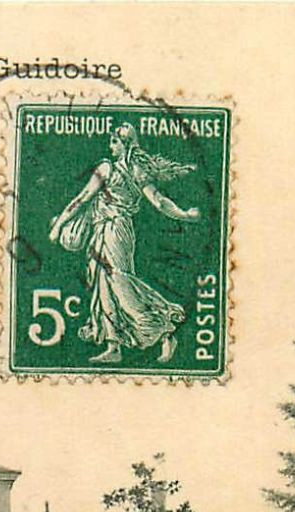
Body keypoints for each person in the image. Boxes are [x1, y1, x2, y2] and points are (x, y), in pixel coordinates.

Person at [48, 124, 201, 364]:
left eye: (114, 142)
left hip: (116, 230)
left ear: (126, 145)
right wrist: (185, 215)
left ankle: (164, 330)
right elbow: (158, 202)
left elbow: (157, 201)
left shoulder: (111, 169)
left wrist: (184, 215)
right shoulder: (130, 170)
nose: (110, 147)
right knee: (103, 286)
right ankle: (113, 346)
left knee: (119, 282)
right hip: (102, 230)